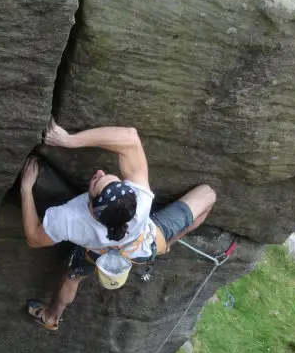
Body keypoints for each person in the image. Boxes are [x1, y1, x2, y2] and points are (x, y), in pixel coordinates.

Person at [19, 120, 217, 331]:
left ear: (93, 210)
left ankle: (51, 317)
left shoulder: (71, 221)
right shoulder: (140, 198)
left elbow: (34, 238)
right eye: (105, 179)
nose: (101, 172)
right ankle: (168, 244)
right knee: (208, 195)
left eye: (98, 181)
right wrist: (171, 240)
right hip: (141, 247)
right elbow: (130, 136)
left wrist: (26, 188)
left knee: (72, 277)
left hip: (95, 252)